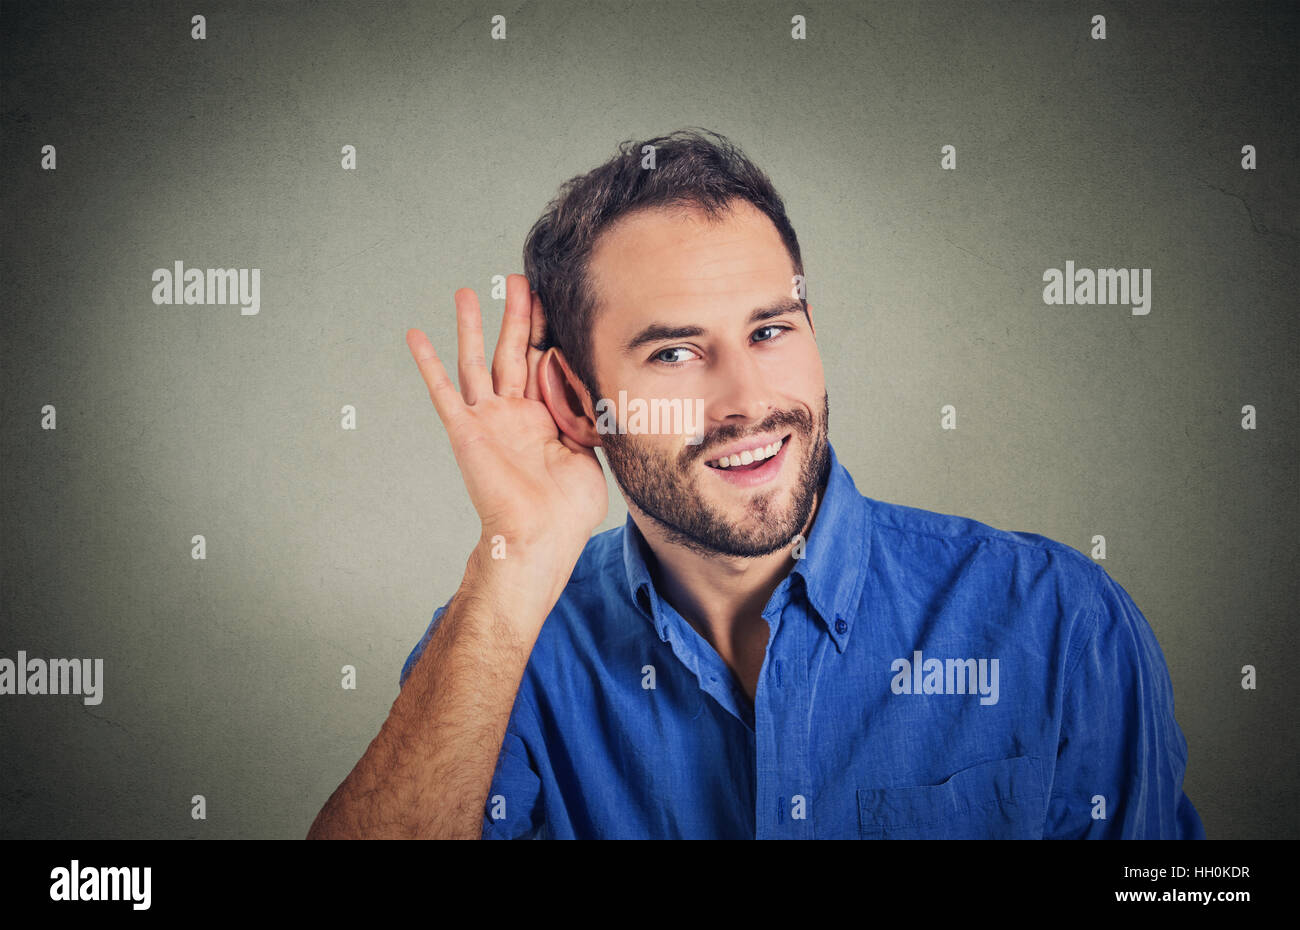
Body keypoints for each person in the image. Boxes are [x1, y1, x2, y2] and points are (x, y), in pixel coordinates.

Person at [307, 128, 1204, 839]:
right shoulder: (509, 652)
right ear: (577, 402)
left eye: (770, 331)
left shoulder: (1058, 623)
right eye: (675, 351)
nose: (748, 402)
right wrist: (519, 561)